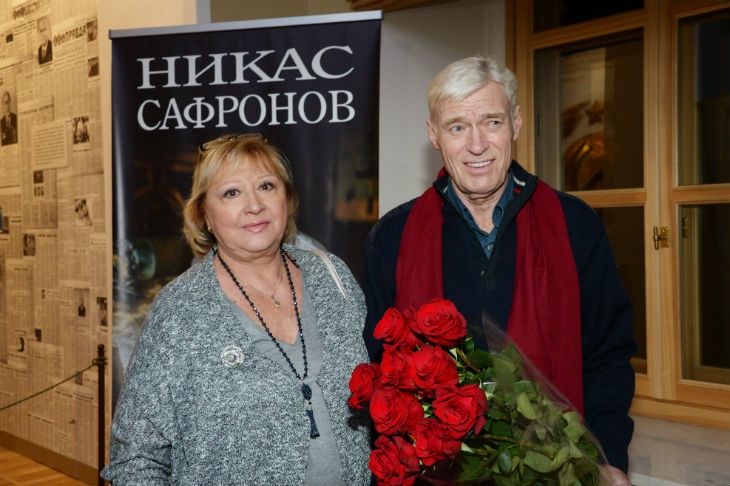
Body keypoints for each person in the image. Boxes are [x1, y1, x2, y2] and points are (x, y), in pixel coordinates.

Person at [363, 55, 636, 485]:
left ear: (516, 123)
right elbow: (379, 366)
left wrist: (610, 457)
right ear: (433, 134)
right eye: (457, 127)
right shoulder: (393, 237)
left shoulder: (576, 225)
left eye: (491, 122)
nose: (477, 145)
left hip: (558, 471)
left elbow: (607, 356)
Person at [102, 133, 371, 485]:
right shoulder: (180, 310)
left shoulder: (332, 276)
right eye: (231, 193)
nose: (254, 205)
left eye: (266, 186)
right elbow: (136, 457)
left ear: (287, 199)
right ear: (205, 214)